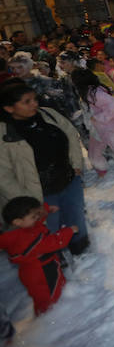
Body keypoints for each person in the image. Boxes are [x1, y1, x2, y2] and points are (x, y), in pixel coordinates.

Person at [0, 82, 89, 254]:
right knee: (47, 230)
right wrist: (26, 203)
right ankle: (54, 260)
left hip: (69, 180)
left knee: (76, 218)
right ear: (9, 108)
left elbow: (71, 136)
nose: (34, 104)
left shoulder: (49, 115)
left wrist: (76, 164)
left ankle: (81, 248)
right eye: (26, 102)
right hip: (37, 194)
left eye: (34, 99)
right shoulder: (4, 135)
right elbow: (3, 176)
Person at [0, 197, 76, 314]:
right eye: (33, 216)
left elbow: (37, 224)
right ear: (17, 222)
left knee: (58, 288)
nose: (37, 218)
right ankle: (50, 319)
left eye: (37, 215)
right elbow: (53, 242)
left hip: (44, 267)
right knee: (49, 300)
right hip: (40, 273)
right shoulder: (24, 239)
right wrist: (69, 231)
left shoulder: (24, 228)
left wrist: (45, 210)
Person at [70, 68, 114, 177]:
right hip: (97, 129)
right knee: (94, 152)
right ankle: (102, 169)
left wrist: (101, 117)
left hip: (108, 127)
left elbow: (113, 103)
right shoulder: (91, 91)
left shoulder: (93, 93)